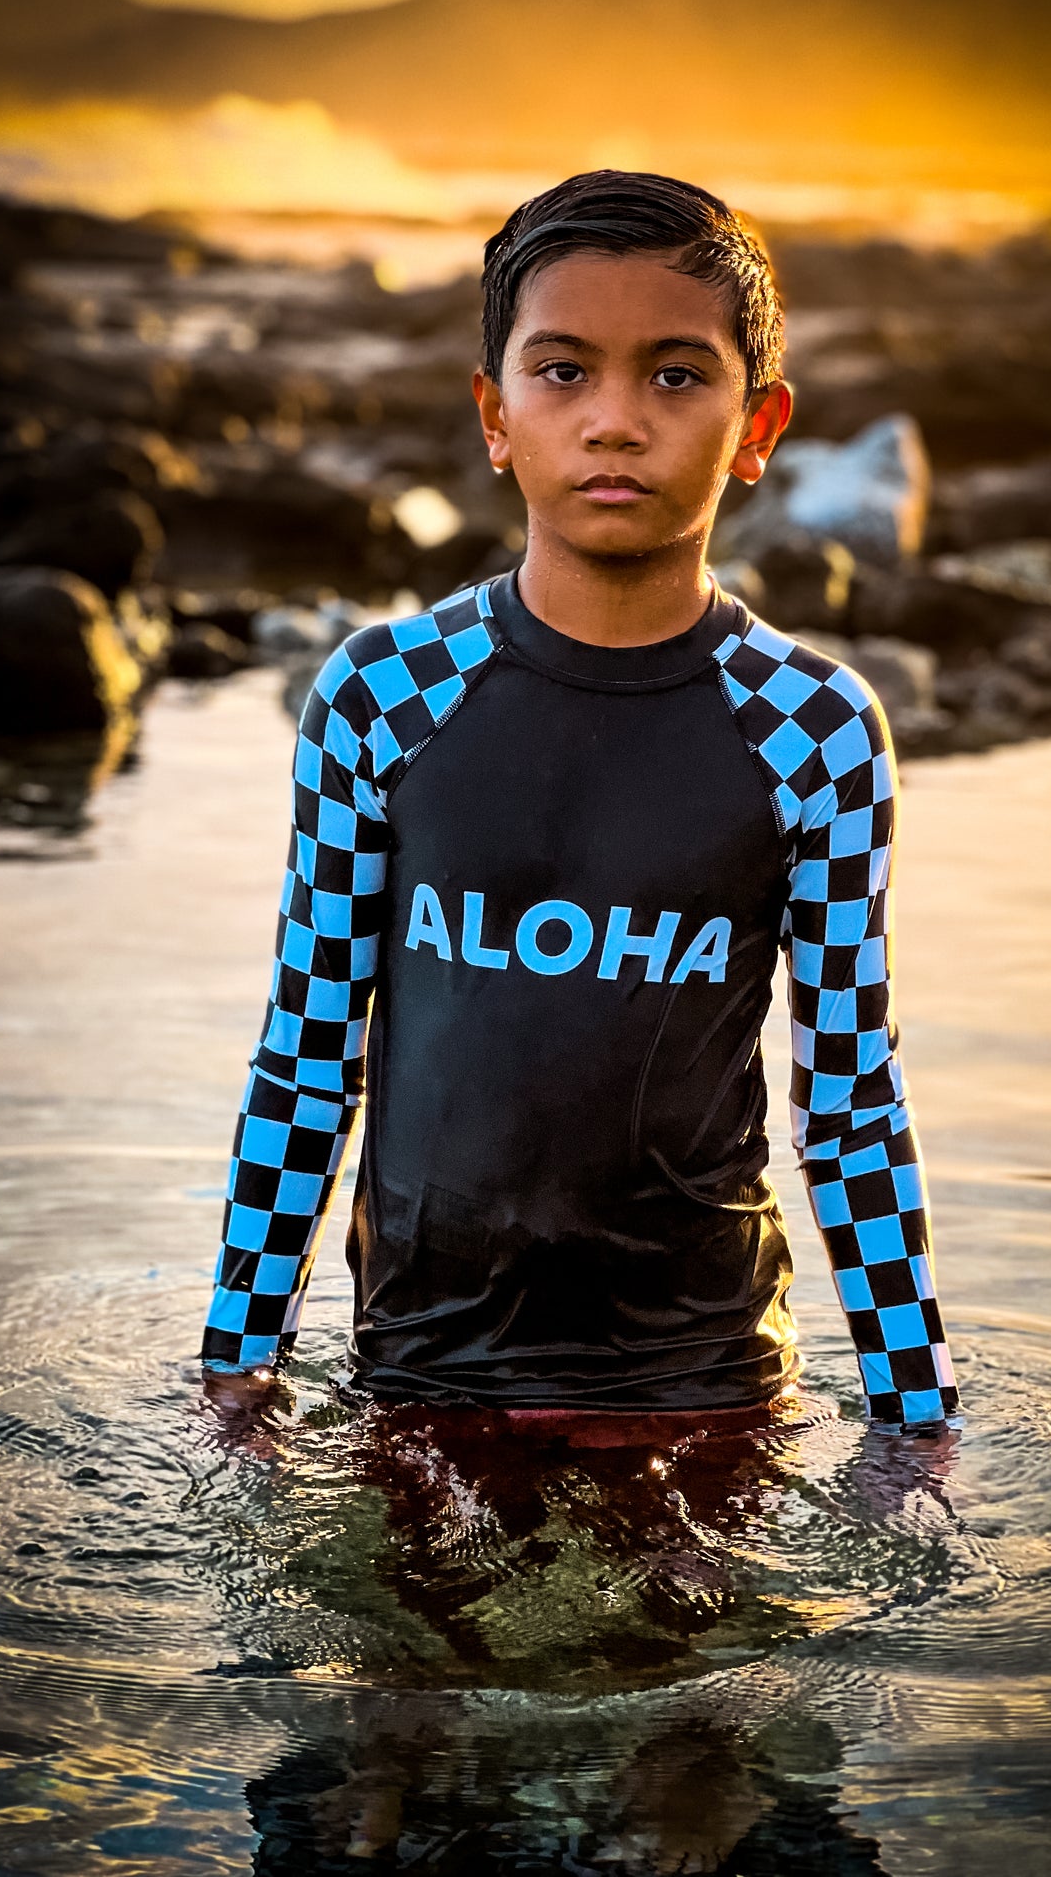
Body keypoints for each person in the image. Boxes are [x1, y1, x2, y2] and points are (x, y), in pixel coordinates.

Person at [201, 169, 959, 1436]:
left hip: (705, 1387)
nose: (615, 421)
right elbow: (305, 1058)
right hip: (419, 1378)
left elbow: (852, 1097)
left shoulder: (812, 729)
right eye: (562, 373)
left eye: (674, 375)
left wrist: (914, 1423)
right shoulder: (385, 696)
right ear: (495, 416)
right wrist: (235, 1370)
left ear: (758, 424)